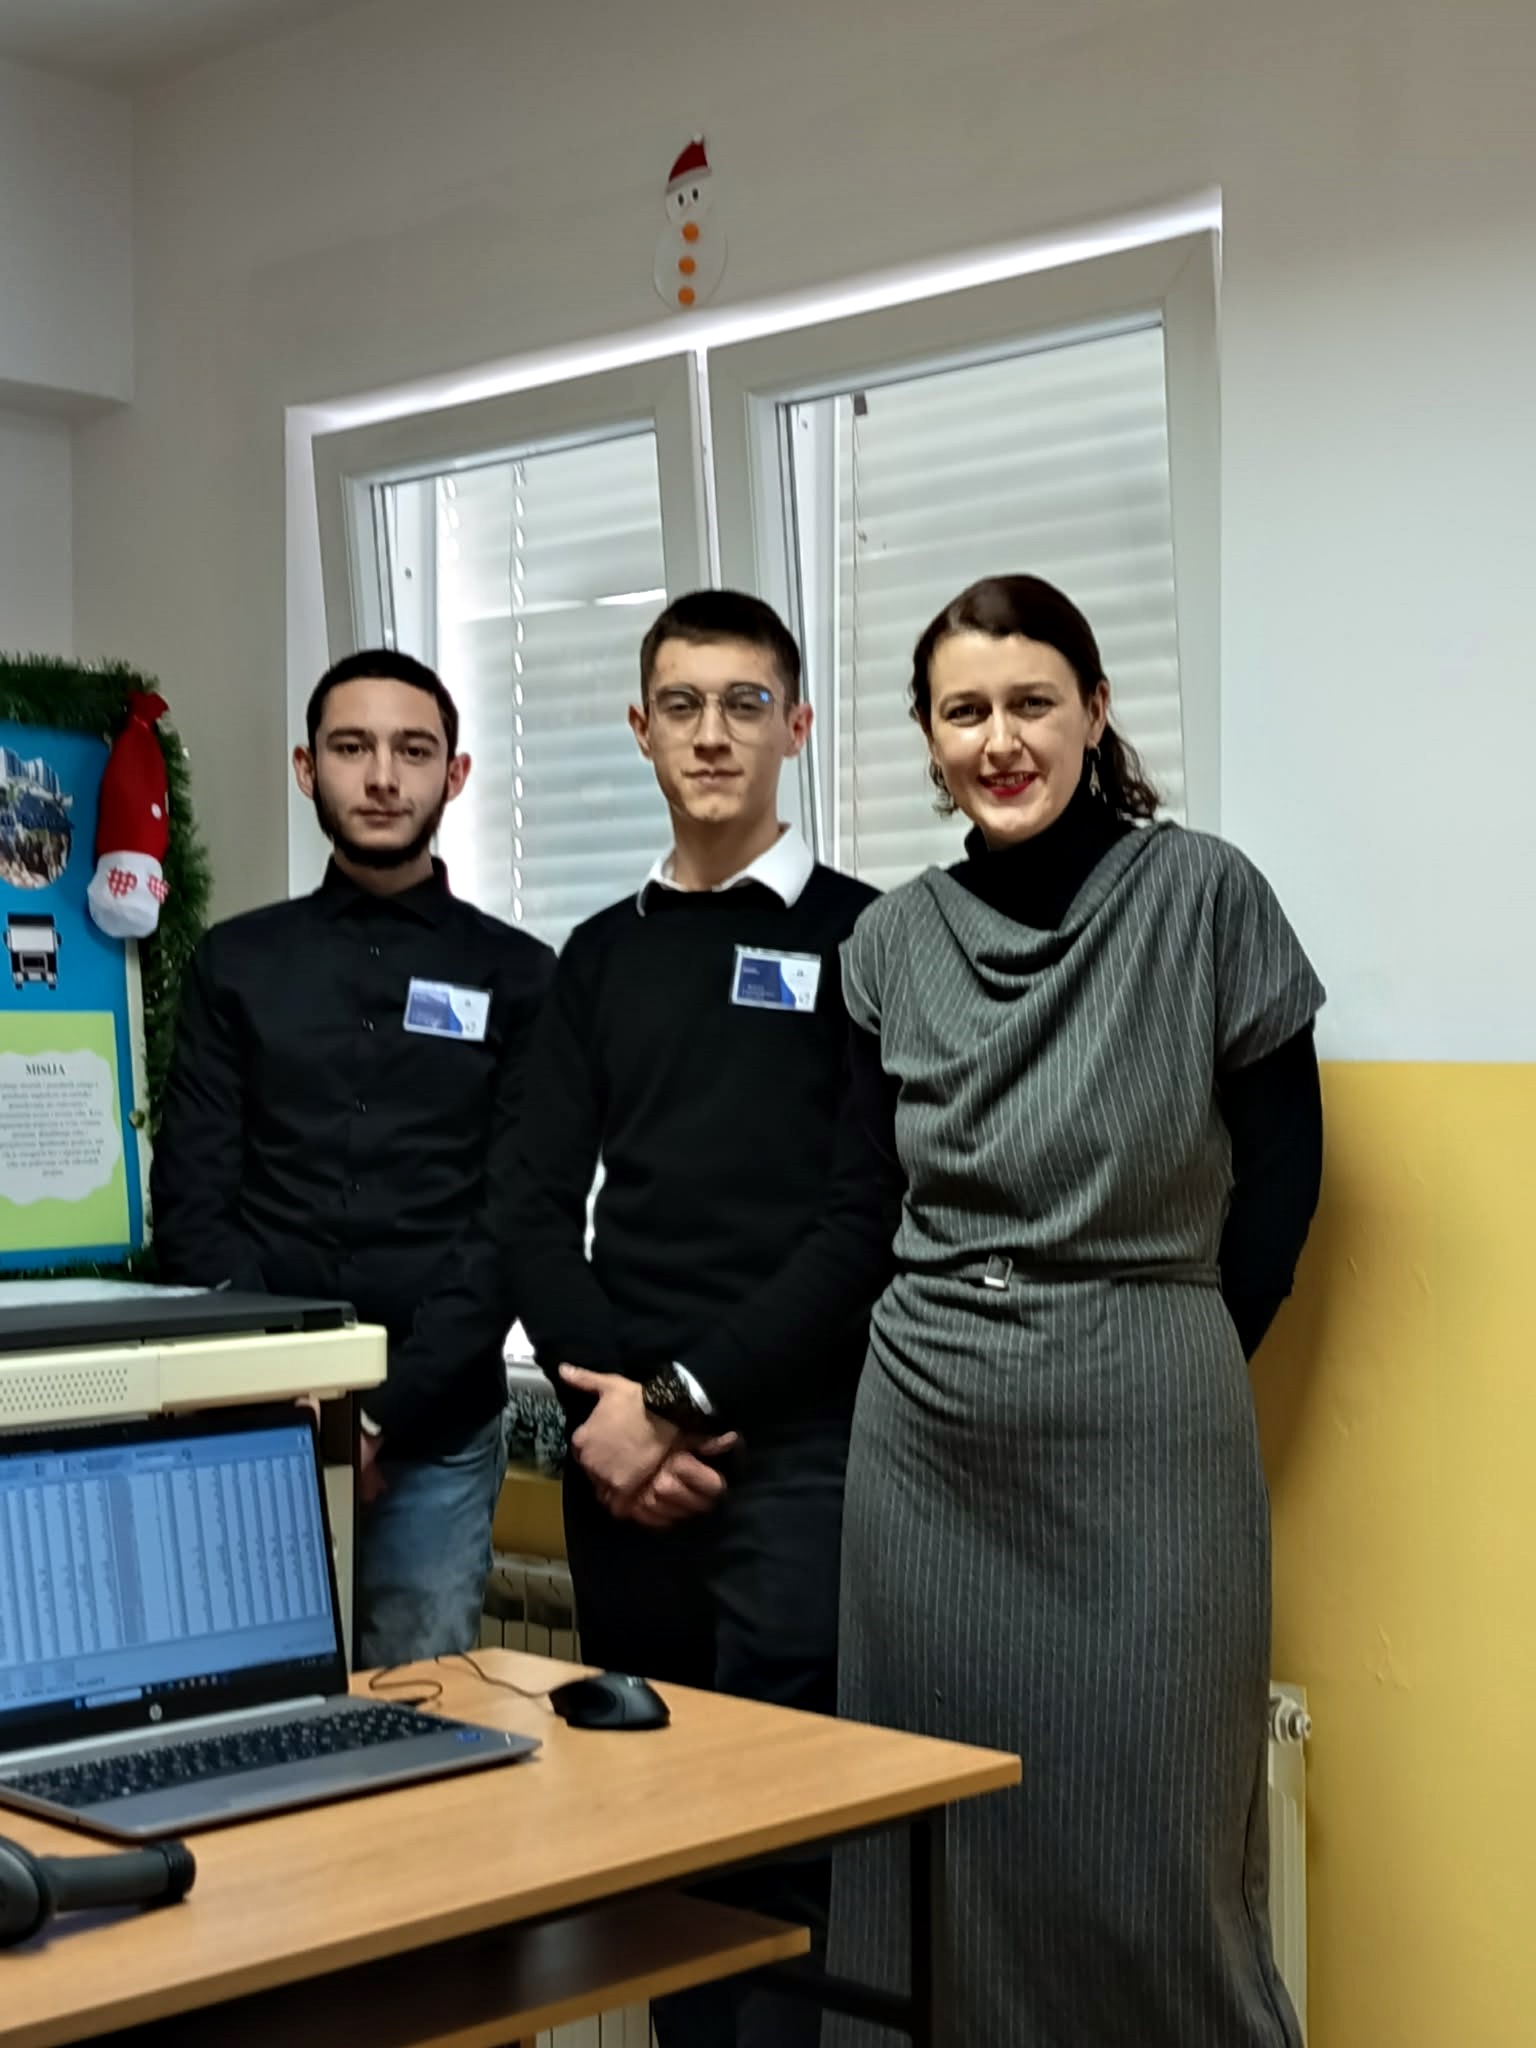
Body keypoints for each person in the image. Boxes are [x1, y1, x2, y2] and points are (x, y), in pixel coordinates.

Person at [722, 574, 1324, 2045]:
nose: (1001, 740)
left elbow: (1284, 1187)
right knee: (932, 1840)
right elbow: (866, 1205)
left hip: (1151, 1431)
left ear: (1095, 711)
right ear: (930, 739)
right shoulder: (889, 944)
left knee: (1161, 1852)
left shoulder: (1205, 896)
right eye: (965, 711)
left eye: (1033, 702)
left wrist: (1159, 1352)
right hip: (929, 1451)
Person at [507, 589, 882, 2048]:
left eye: (744, 703)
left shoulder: (869, 939)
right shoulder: (598, 955)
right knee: (656, 1829)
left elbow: (860, 1223)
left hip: (796, 1450)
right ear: (640, 729)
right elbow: (534, 1209)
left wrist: (677, 1400)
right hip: (619, 1462)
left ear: (797, 726)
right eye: (682, 705)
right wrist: (610, 1414)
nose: (713, 734)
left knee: (776, 1834)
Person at [151, 650, 554, 1670]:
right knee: (243, 1698)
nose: (382, 777)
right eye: (351, 747)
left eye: (413, 750)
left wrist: (378, 1413)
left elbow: (513, 1224)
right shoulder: (236, 965)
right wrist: (288, 1386)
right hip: (252, 1418)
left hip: (437, 1430)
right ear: (307, 767)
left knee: (420, 1703)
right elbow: (193, 1199)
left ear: (455, 774)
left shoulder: (521, 976)